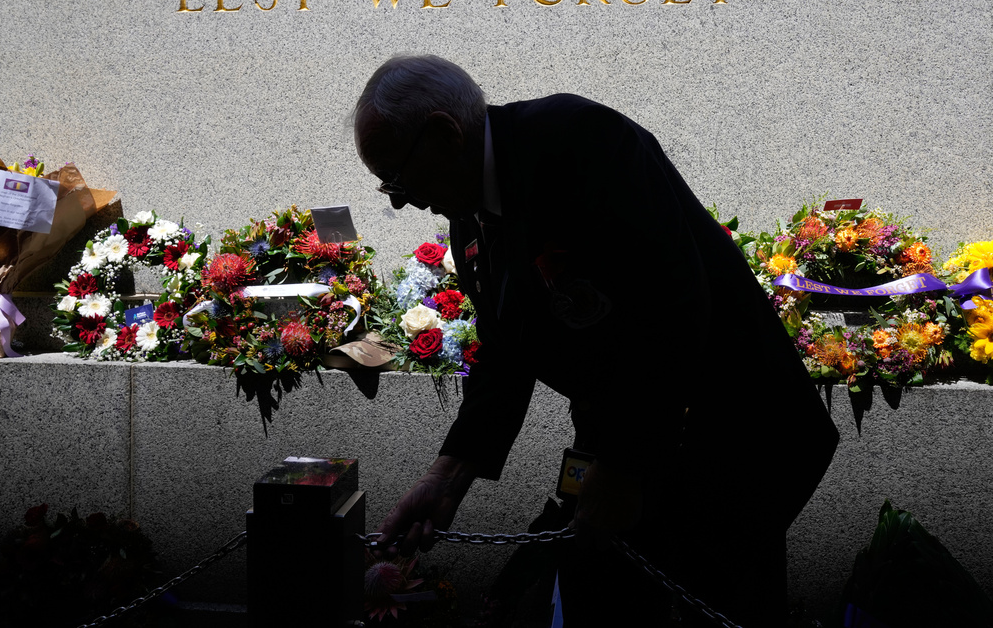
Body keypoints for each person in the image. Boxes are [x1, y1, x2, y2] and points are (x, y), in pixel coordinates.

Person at [354, 54, 839, 627]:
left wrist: (624, 467)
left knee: (712, 604)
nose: (399, 201)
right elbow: (506, 352)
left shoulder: (577, 141)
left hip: (732, 427)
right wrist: (445, 478)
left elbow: (672, 307)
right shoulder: (472, 220)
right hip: (629, 438)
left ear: (444, 132)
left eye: (399, 178)